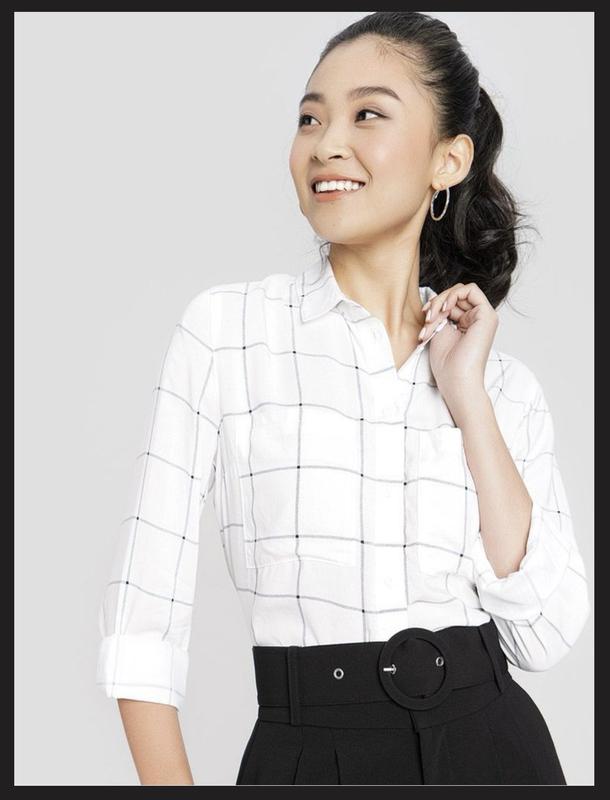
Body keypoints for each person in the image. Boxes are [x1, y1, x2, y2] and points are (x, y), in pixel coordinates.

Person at [96, 11, 590, 785]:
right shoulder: (228, 335)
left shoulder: (501, 386)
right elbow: (141, 623)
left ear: (449, 159)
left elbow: (546, 633)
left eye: (367, 115)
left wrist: (468, 401)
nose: (326, 143)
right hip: (310, 757)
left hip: (497, 752)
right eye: (310, 118)